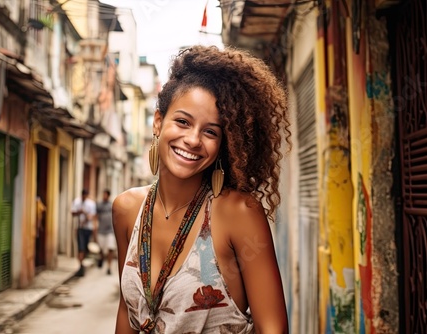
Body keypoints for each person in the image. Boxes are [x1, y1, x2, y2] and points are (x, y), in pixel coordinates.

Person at [113, 45, 290, 333]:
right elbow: (129, 309)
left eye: (210, 131)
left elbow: (273, 329)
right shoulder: (126, 209)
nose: (193, 140)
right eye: (183, 122)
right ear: (158, 122)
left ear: (224, 143)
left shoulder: (238, 213)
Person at [71, 189, 96, 277]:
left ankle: (82, 264)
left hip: (88, 228)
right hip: (79, 228)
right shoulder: (77, 201)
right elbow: (72, 212)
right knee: (80, 247)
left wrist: (85, 214)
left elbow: (91, 216)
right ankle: (81, 265)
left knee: (85, 247)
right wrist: (79, 212)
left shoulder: (91, 203)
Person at [96, 189, 116, 275]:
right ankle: (101, 258)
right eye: (103, 194)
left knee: (110, 249)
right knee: (101, 249)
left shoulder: (112, 205)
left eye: (105, 195)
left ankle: (109, 267)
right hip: (101, 230)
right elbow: (95, 216)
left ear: (108, 195)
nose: (104, 196)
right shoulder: (99, 205)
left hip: (110, 231)